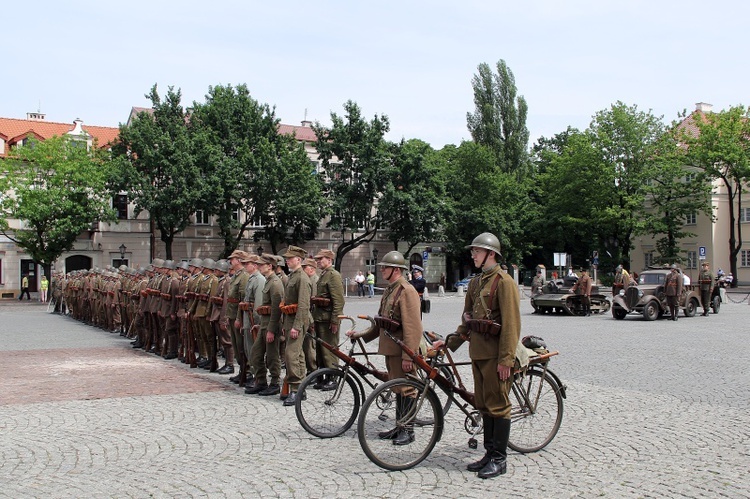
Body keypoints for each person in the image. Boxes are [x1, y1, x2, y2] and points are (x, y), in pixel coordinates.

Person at [433, 232, 520, 479]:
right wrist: (449, 343)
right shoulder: (475, 282)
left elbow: (512, 324)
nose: (473, 255)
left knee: (499, 405)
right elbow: (467, 322)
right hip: (478, 353)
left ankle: (499, 459)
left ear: (491, 254)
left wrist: (506, 360)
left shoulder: (504, 282)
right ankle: (489, 453)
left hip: (495, 355)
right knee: (483, 404)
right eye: (473, 251)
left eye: (477, 251)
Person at [347, 251, 422, 446]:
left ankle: (408, 430)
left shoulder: (407, 291)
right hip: (391, 349)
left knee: (407, 389)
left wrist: (409, 356)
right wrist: (360, 336)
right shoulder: (391, 290)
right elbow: (381, 324)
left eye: (385, 267)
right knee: (397, 388)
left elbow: (413, 327)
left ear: (396, 270)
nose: (381, 270)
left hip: (402, 350)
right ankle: (399, 426)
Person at [280, 246, 312, 406]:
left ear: (298, 260)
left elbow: (304, 305)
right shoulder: (293, 276)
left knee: (291, 354)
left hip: (297, 322)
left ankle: (295, 389)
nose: (287, 260)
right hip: (290, 320)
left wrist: (297, 327)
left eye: (290, 258)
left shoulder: (302, 278)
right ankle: (301, 389)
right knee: (297, 355)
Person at [311, 250, 345, 389]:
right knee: (320, 349)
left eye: (321, 259)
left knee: (330, 349)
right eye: (317, 259)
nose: (318, 261)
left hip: (328, 319)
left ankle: (333, 378)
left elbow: (339, 301)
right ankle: (324, 376)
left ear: (329, 260)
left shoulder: (333, 275)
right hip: (320, 318)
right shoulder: (323, 275)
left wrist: (335, 320)